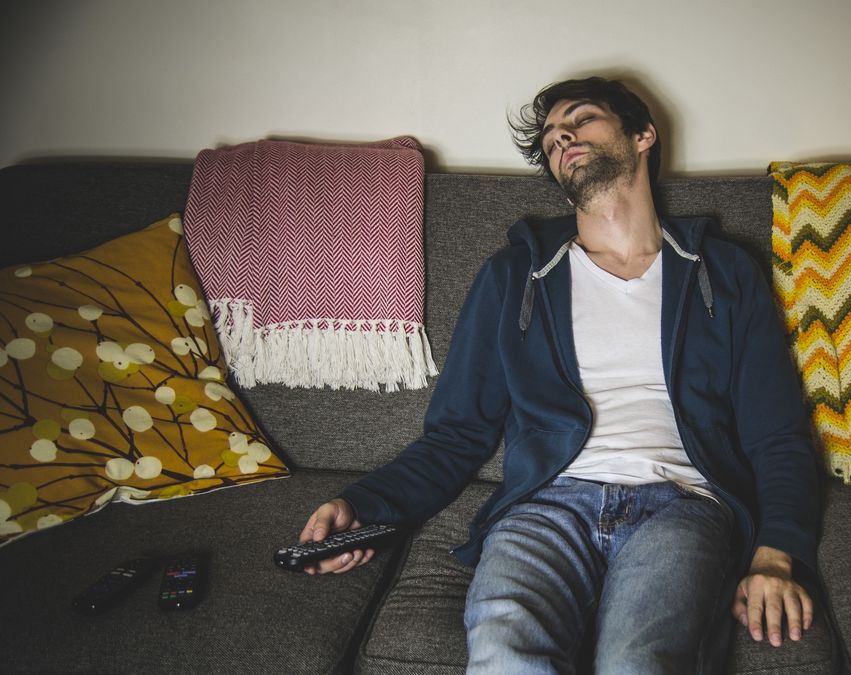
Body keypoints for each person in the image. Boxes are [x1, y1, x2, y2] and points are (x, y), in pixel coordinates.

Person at [298, 76, 820, 674]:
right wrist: (363, 505)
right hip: (544, 508)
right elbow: (456, 434)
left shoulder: (722, 272)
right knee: (504, 652)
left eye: (582, 119)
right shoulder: (513, 276)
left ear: (643, 135)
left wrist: (777, 554)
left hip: (682, 506)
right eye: (549, 139)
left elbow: (776, 433)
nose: (562, 138)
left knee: (638, 662)